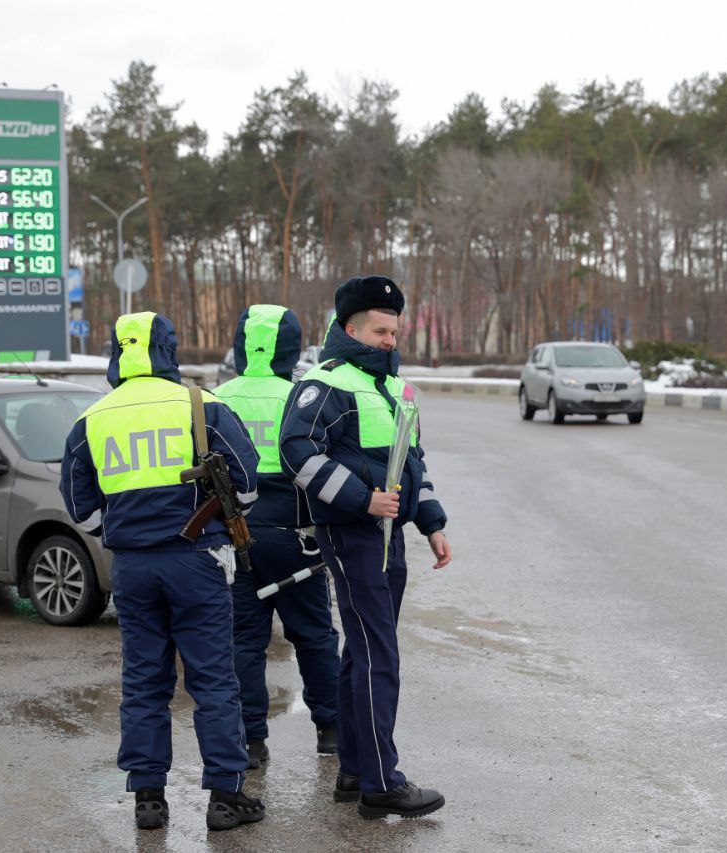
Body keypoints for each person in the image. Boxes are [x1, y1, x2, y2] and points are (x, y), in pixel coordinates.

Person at [60, 311, 266, 832]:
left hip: (131, 567)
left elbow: (81, 513)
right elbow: (246, 489)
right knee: (214, 680)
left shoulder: (93, 418)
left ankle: (148, 798)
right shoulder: (203, 405)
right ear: (169, 350)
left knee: (144, 682)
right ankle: (225, 796)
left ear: (117, 352)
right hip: (197, 562)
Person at [279, 276, 452, 819]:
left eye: (394, 331)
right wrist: (361, 500)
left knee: (362, 651)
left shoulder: (393, 387)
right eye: (380, 330)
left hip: (387, 537)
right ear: (350, 328)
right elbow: (296, 452)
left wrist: (432, 522)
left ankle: (355, 770)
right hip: (353, 535)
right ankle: (381, 782)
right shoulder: (327, 382)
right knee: (378, 653)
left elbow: (411, 461)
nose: (389, 339)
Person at [215, 304, 341, 769]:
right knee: (314, 637)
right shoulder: (304, 397)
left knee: (244, 642)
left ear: (239, 345)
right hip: (297, 537)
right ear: (291, 346)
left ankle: (251, 741)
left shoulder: (216, 397)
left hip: (237, 534)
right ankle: (331, 730)